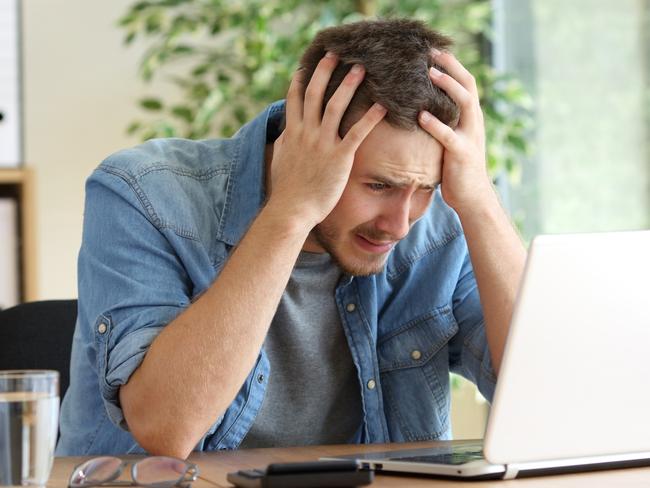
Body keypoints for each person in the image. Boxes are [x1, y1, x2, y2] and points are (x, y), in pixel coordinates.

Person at [57, 18, 526, 458]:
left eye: (425, 188)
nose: (400, 224)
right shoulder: (143, 194)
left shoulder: (438, 227)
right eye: (378, 186)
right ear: (303, 141)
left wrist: (479, 200)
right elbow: (167, 428)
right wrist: (292, 210)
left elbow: (548, 398)